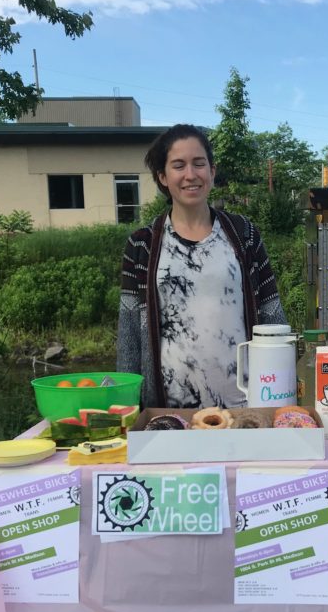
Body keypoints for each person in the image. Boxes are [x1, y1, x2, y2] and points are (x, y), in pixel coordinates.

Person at [117, 124, 287, 408]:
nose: (190, 175)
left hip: (245, 408)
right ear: (162, 176)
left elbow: (272, 314)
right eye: (178, 165)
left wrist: (281, 391)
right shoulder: (142, 244)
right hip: (169, 413)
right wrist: (126, 406)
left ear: (212, 171)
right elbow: (130, 334)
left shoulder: (244, 234)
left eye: (199, 164)